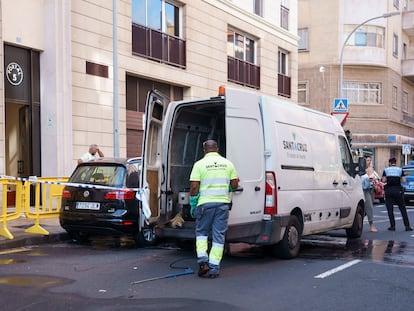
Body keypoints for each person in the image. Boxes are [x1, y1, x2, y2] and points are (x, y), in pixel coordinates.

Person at [189, 140, 239, 278]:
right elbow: (235, 184)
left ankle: (203, 262)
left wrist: (193, 204)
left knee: (202, 233)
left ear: (204, 150)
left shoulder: (199, 165)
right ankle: (214, 268)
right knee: (218, 236)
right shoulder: (228, 164)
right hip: (222, 205)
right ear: (217, 149)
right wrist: (227, 187)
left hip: (205, 205)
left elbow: (194, 187)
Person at [382, 157, 413, 231]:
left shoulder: (386, 170)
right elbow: (404, 180)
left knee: (390, 209)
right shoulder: (400, 170)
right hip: (398, 190)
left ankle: (392, 226)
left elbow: (383, 180)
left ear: (389, 163)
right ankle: (407, 226)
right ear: (395, 162)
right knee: (402, 208)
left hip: (389, 191)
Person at [361, 167, 377, 232]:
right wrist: (368, 180)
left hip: (371, 191)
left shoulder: (372, 174)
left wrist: (374, 182)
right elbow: (364, 187)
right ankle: (371, 225)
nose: (371, 171)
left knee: (365, 209)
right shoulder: (363, 176)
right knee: (369, 207)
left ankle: (358, 222)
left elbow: (377, 179)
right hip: (365, 191)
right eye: (367, 160)